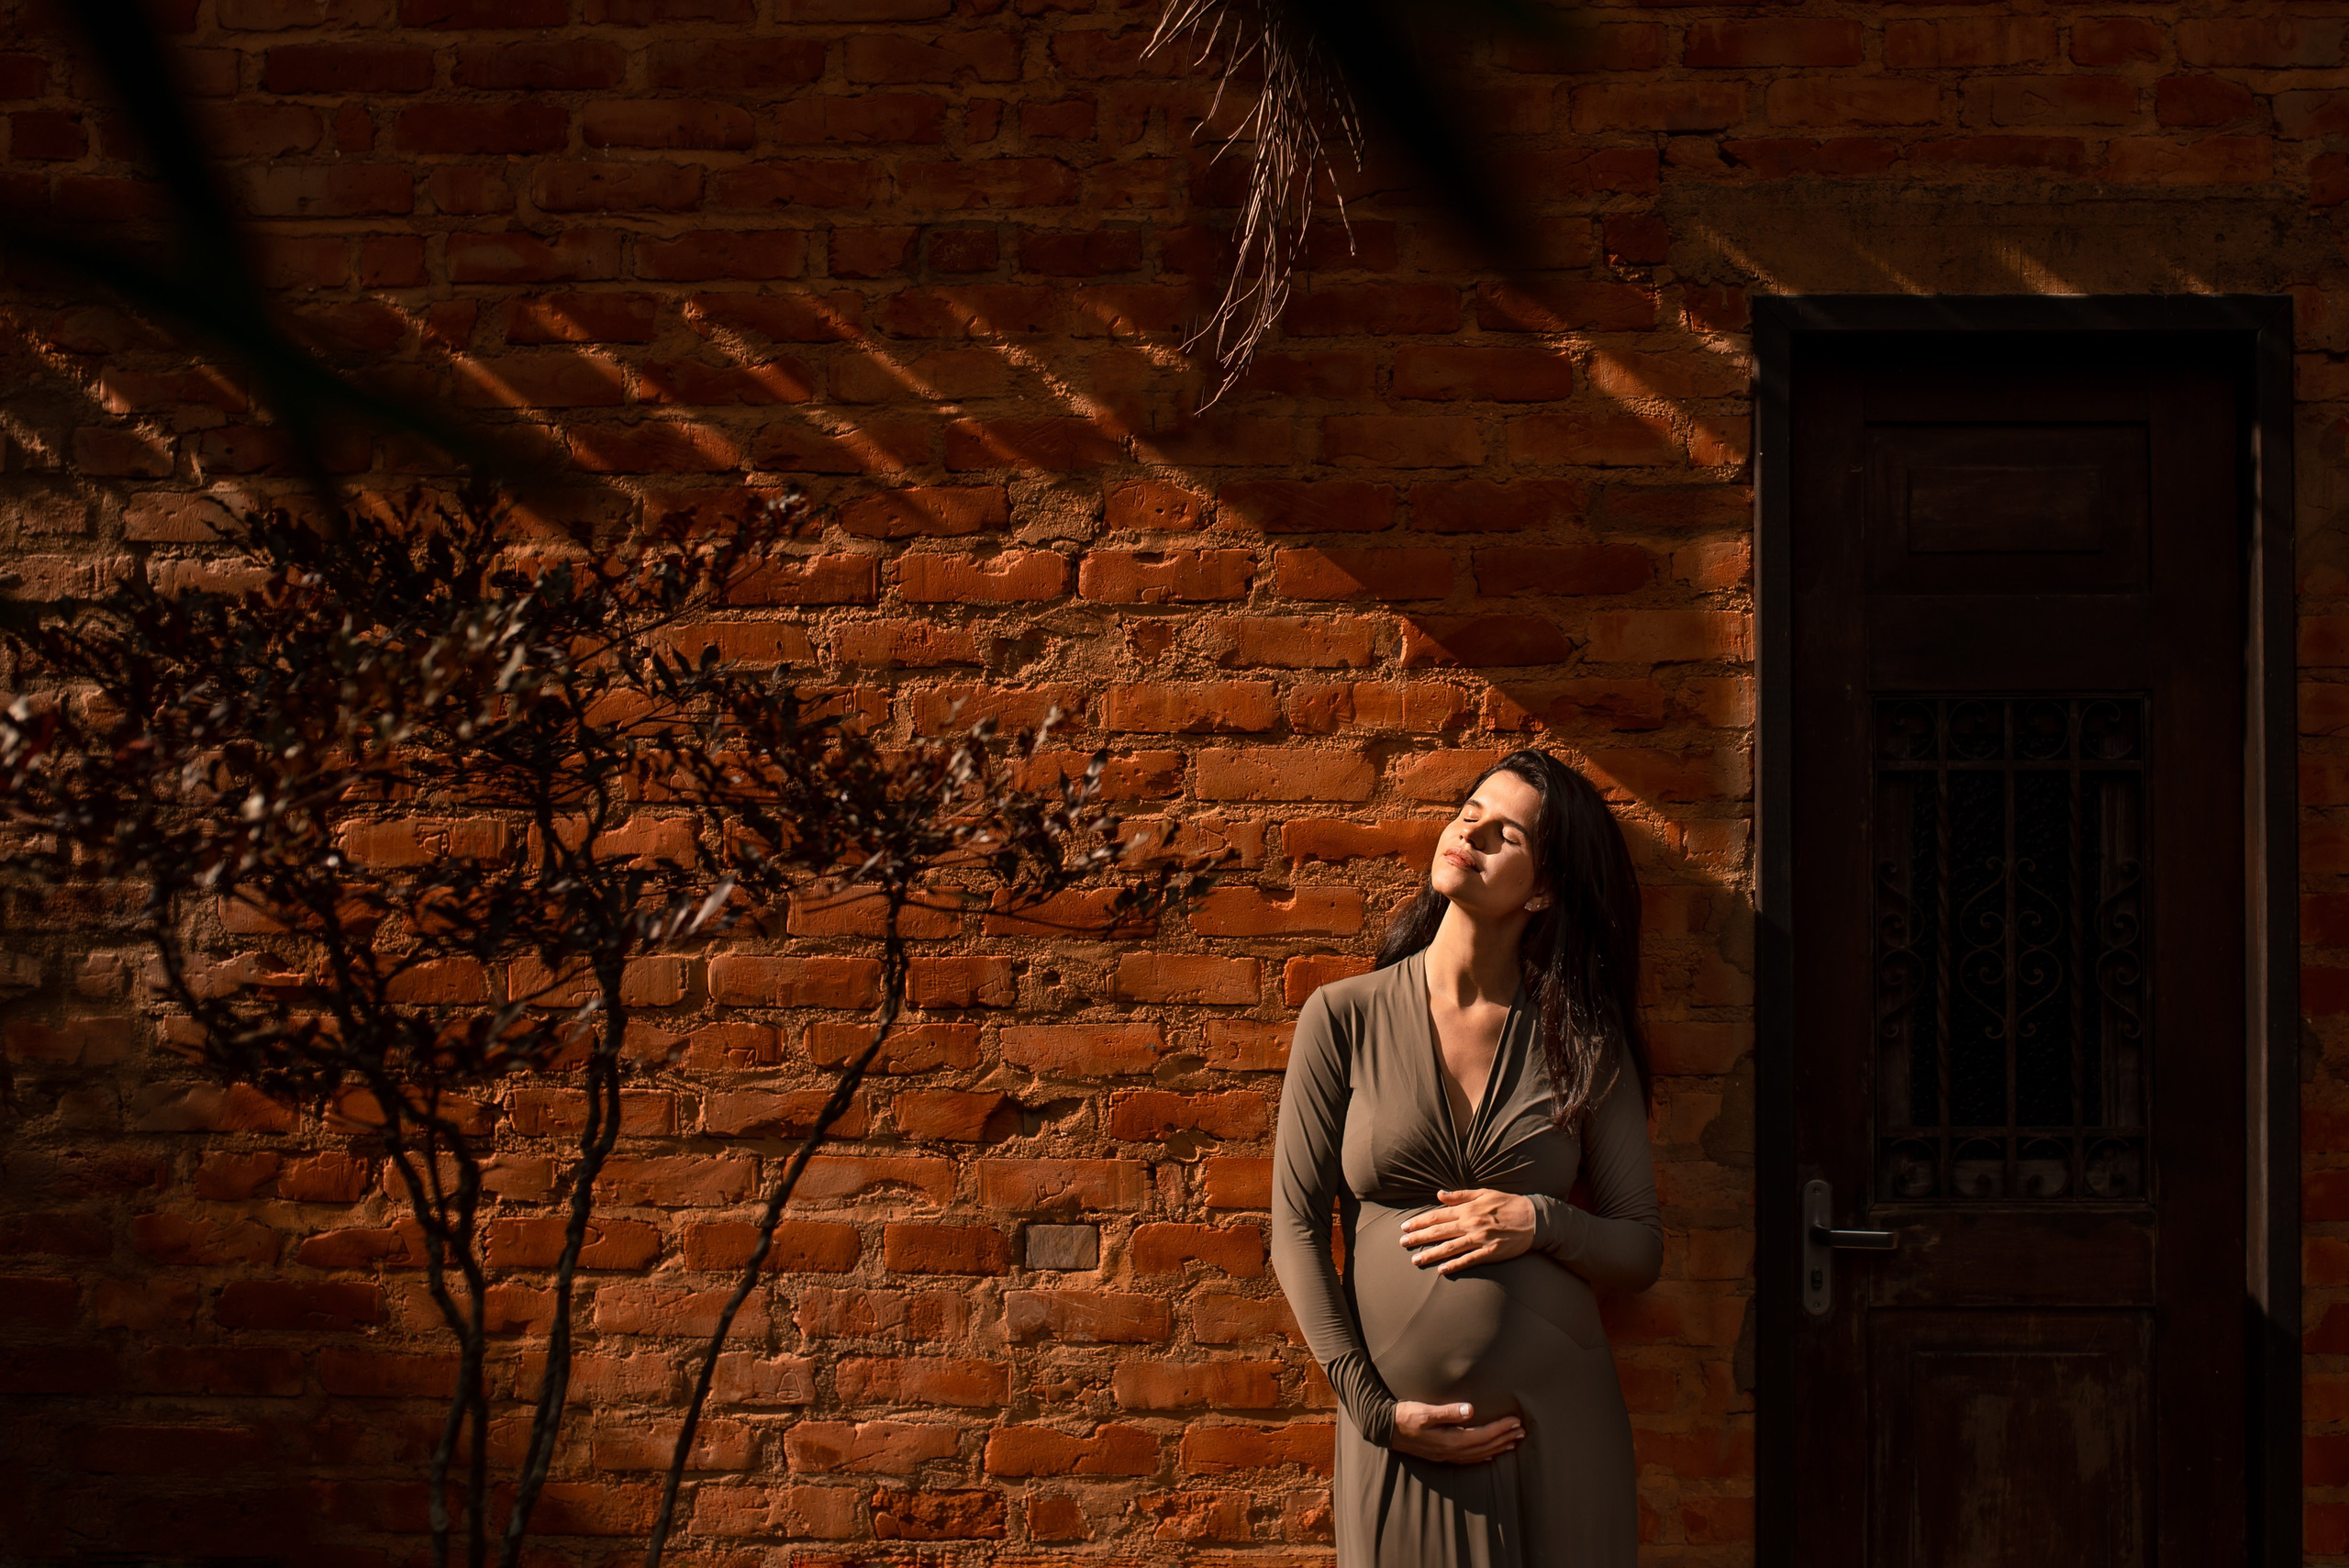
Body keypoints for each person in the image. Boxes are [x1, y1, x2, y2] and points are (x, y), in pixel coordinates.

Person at [1270, 748, 1664, 1566]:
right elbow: (1294, 1233)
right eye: (1470, 810)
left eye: (1506, 832)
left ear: (1545, 887)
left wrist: (1539, 1219)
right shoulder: (1342, 1017)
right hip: (1406, 1435)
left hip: (1562, 1426)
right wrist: (1375, 1411)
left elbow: (1639, 1247)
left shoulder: (1583, 1040)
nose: (1471, 830)